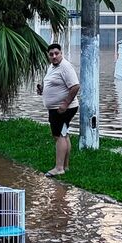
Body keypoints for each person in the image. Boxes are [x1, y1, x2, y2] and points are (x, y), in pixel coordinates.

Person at [38, 43, 79, 177]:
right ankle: (65, 166)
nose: (54, 56)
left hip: (62, 109)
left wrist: (65, 104)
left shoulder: (65, 67)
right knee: (63, 134)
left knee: (59, 136)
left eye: (57, 53)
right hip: (57, 108)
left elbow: (75, 86)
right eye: (51, 54)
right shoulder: (52, 67)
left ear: (61, 53)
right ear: (48, 56)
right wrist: (43, 91)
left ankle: (59, 168)